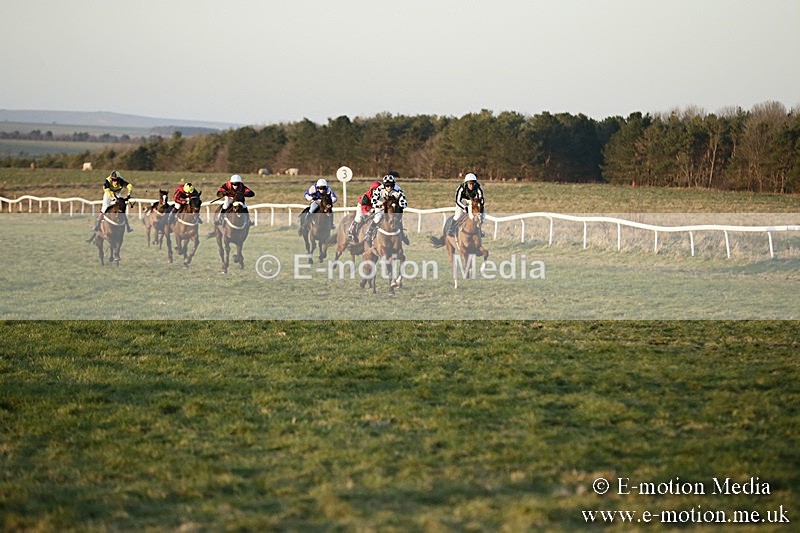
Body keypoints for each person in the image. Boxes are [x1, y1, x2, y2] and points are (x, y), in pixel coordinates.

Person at [365, 172, 409, 246]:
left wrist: (399, 206)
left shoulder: (398, 190)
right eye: (387, 185)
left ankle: (402, 235)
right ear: (384, 185)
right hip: (381, 205)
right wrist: (381, 205)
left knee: (398, 218)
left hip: (392, 207)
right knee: (378, 217)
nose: (389, 188)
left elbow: (404, 203)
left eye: (391, 185)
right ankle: (369, 233)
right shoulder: (379, 189)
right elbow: (373, 201)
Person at [446, 172, 485, 237]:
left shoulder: (478, 188)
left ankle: (479, 230)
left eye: (473, 184)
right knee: (458, 215)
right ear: (466, 183)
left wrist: (478, 207)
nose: (471, 186)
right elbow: (457, 200)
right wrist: (464, 207)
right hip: (462, 201)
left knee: (482, 214)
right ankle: (451, 229)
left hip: (473, 201)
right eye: (470, 184)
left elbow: (481, 200)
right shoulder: (461, 188)